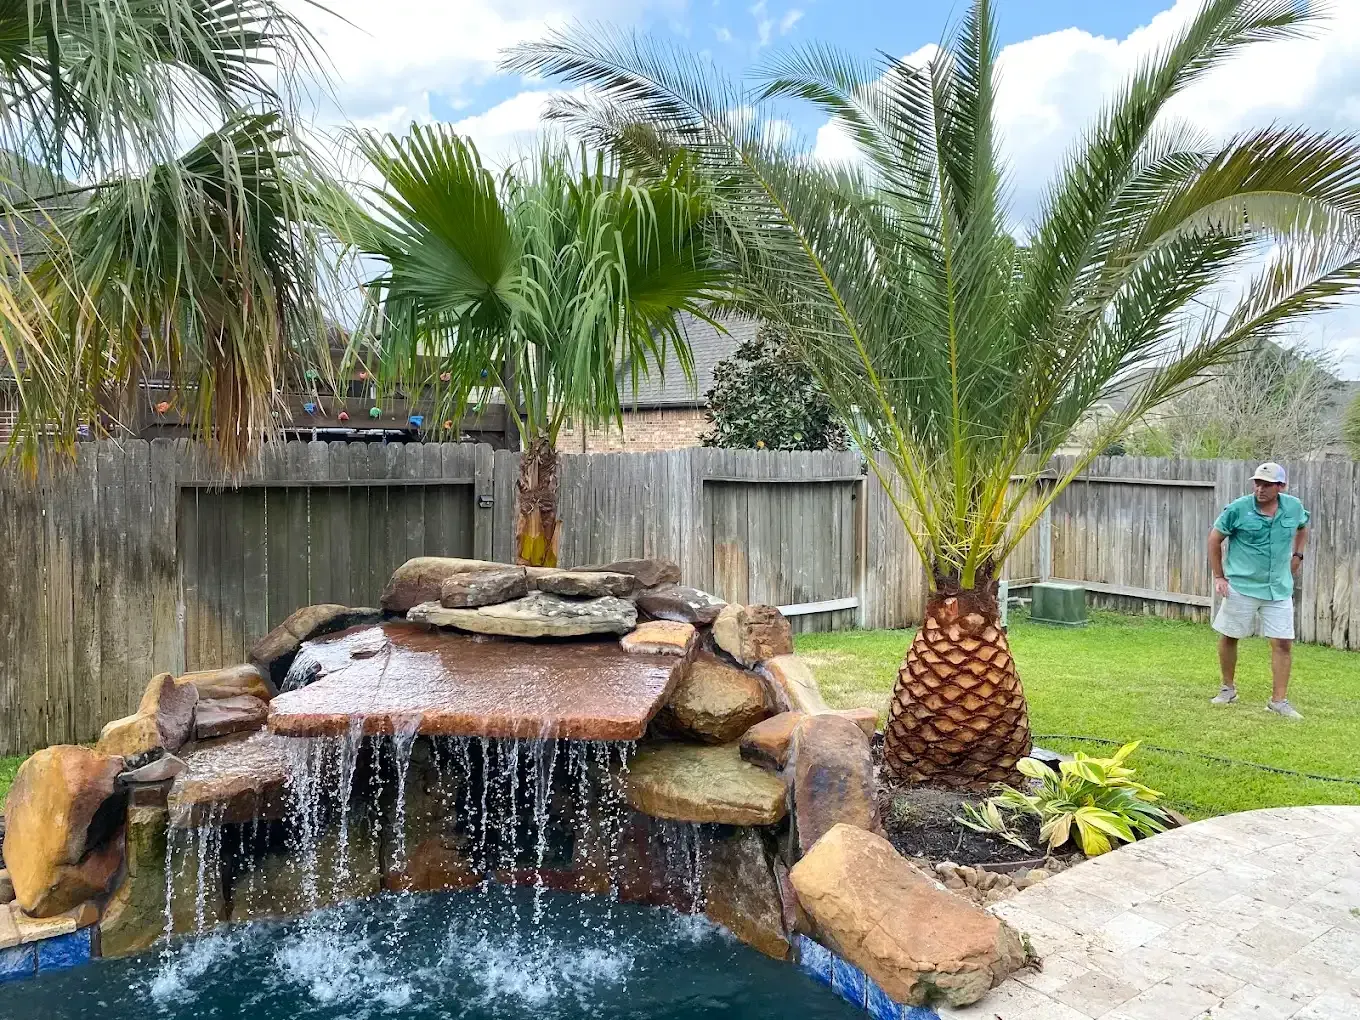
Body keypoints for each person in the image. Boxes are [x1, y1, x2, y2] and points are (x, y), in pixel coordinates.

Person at [1207, 463, 1309, 719]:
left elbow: (1303, 526)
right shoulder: (1239, 508)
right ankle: (1227, 689)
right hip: (1242, 585)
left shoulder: (1293, 507)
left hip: (1278, 588)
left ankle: (1279, 701)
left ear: (1280, 487)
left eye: (1266, 484)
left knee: (1283, 642)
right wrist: (1219, 576)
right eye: (1257, 483)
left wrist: (1298, 555)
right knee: (1230, 635)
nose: (1260, 489)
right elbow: (1214, 539)